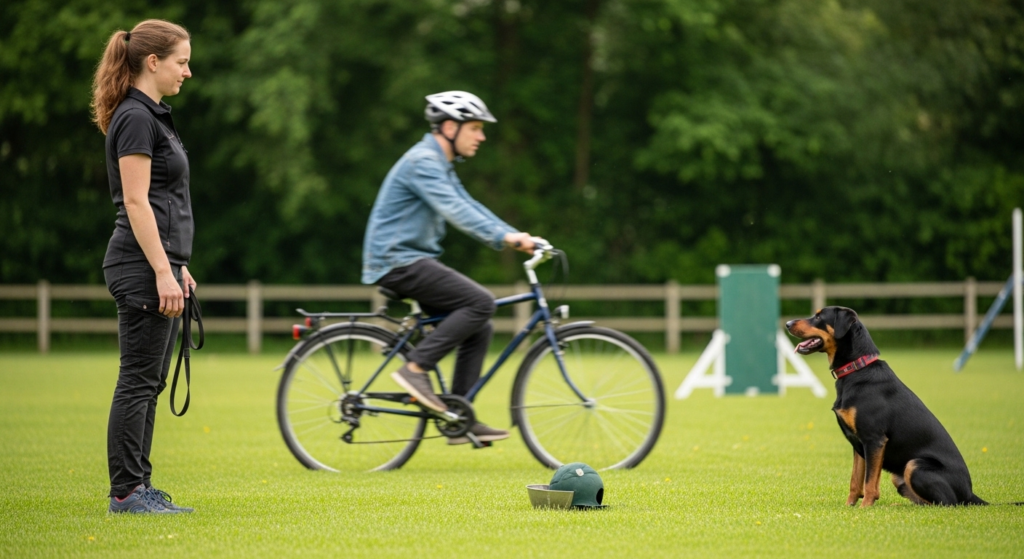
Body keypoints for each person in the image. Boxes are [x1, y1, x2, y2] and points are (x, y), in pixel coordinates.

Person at [362, 91, 537, 445]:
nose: (481, 136)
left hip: (409, 259)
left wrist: (515, 234)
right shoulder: (423, 162)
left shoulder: (439, 164)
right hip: (397, 260)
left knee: (480, 325)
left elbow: (468, 204)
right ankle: (415, 369)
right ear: (448, 127)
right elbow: (457, 212)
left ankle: (458, 416)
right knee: (481, 302)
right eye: (475, 128)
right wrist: (506, 237)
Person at [91, 19, 196, 514]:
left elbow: (164, 201)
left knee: (149, 382)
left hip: (157, 263)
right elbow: (136, 202)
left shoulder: (151, 116)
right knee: (137, 380)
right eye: (181, 62)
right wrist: (160, 269)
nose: (187, 72)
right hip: (138, 266)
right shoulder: (136, 117)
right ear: (152, 62)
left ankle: (140, 486)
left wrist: (178, 265)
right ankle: (127, 492)